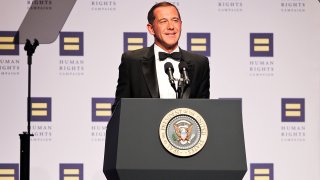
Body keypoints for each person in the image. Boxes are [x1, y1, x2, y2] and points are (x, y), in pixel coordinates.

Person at [112, 1, 210, 112]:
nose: (171, 26)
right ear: (151, 28)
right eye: (163, 21)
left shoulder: (200, 63)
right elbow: (120, 109)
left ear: (181, 25)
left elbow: (204, 111)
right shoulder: (132, 61)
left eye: (175, 20)